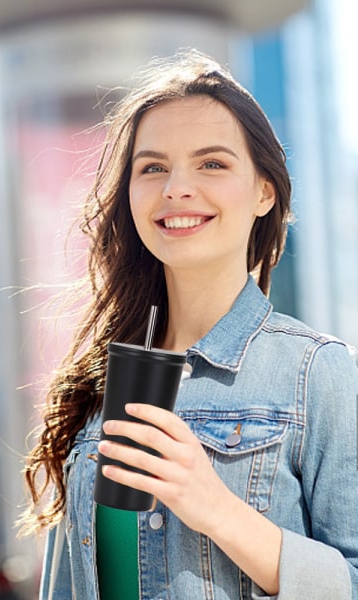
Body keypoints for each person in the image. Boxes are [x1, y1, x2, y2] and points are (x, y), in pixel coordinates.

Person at [20, 49, 358, 599]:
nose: (176, 187)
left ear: (264, 192)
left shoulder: (317, 372)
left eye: (212, 164)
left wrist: (216, 508)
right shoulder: (100, 378)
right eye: (152, 167)